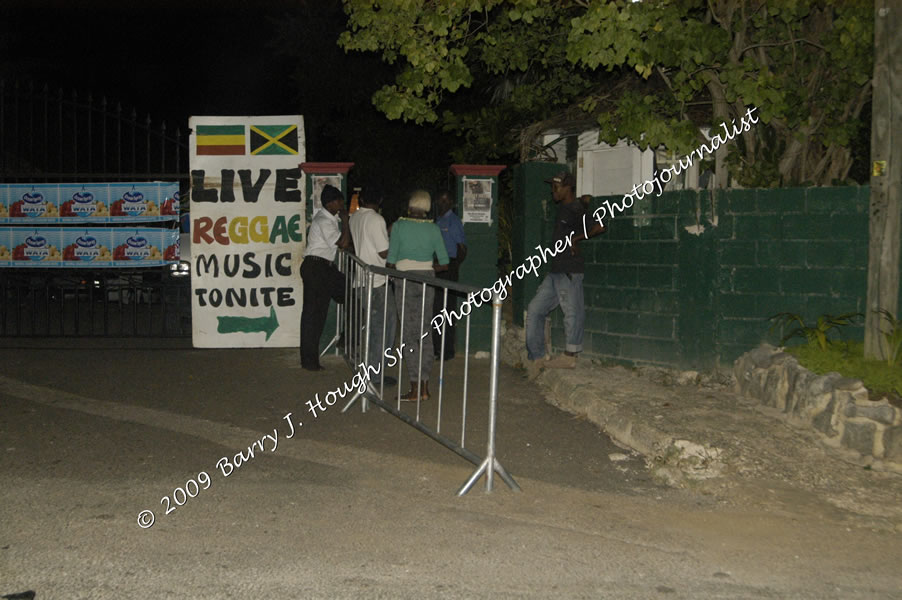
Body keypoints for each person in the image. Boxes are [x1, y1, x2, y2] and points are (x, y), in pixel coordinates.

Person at [525, 171, 604, 375]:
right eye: (553, 187)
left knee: (572, 312)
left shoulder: (575, 209)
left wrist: (575, 240)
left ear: (568, 187)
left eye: (556, 187)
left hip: (569, 269)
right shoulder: (567, 208)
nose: (553, 191)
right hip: (556, 270)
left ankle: (570, 357)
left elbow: (599, 227)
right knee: (534, 310)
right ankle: (538, 356)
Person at [386, 190, 449, 401]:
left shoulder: (399, 226)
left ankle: (414, 387)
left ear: (410, 206)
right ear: (427, 207)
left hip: (404, 280)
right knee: (425, 333)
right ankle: (425, 387)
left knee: (408, 334)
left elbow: (391, 260)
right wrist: (427, 268)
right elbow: (444, 261)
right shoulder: (433, 228)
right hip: (427, 280)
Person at [348, 185, 397, 385]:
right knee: (384, 330)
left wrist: (386, 232)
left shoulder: (355, 217)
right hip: (376, 282)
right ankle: (374, 375)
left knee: (374, 329)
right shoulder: (376, 219)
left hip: (361, 279)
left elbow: (369, 242)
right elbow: (384, 252)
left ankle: (369, 370)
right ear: (380, 201)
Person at [299, 184, 350, 371]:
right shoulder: (325, 221)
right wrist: (345, 220)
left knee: (316, 314)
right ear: (332, 203)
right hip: (317, 267)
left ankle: (311, 359)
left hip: (320, 267)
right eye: (340, 201)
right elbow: (343, 243)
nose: (342, 205)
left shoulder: (325, 218)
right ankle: (310, 361)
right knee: (314, 316)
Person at [432, 190, 467, 360]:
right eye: (440, 200)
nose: (442, 203)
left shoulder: (453, 221)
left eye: (446, 200)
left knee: (447, 310)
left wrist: (453, 267)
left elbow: (462, 248)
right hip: (437, 266)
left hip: (448, 267)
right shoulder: (437, 220)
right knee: (437, 308)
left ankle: (447, 351)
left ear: (452, 203)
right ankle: (437, 348)